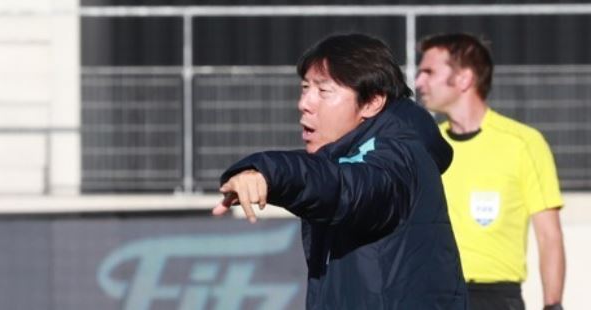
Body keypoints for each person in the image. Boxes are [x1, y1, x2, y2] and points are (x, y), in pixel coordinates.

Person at [213, 33, 467, 309]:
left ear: (371, 102)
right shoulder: (348, 155)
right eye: (304, 88)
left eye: (323, 91)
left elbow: (348, 188)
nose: (305, 103)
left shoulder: (398, 157)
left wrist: (273, 174)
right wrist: (261, 171)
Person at [415, 33, 566, 310]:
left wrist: (552, 305)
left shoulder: (523, 143)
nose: (418, 82)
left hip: (495, 298)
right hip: (432, 294)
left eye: (428, 71)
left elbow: (549, 236)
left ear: (464, 78)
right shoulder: (425, 145)